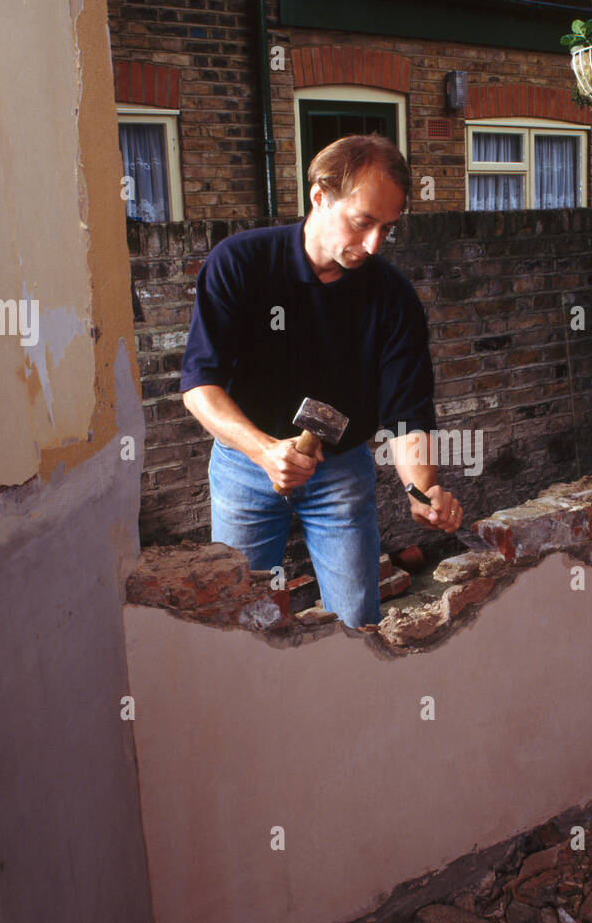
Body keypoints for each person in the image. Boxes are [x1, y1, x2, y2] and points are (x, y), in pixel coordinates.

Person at [180, 134, 463, 628]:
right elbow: (199, 386)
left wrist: (423, 492)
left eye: (387, 228)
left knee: (358, 621)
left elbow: (406, 413)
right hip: (245, 468)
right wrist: (265, 451)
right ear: (320, 196)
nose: (374, 244)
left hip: (341, 471)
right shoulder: (240, 263)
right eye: (363, 222)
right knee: (243, 619)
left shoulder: (393, 298)